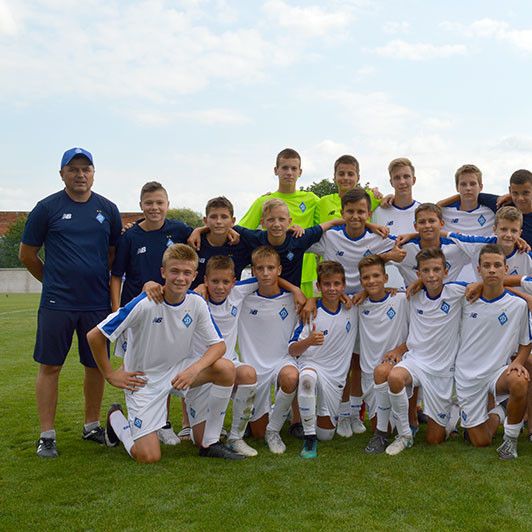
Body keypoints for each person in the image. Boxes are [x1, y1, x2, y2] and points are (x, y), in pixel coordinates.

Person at [87, 244, 244, 463]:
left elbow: (218, 346)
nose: (180, 278)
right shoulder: (144, 304)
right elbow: (95, 335)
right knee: (148, 456)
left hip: (177, 373)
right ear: (163, 273)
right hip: (142, 380)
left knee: (226, 368)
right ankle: (116, 419)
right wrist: (110, 375)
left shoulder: (196, 303)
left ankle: (210, 443)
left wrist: (193, 370)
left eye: (187, 272)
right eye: (175, 271)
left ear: (194, 276)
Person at [19, 147, 122, 458]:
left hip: (96, 303)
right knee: (50, 365)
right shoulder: (46, 208)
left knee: (94, 365)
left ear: (93, 173)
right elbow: (27, 254)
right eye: (73, 169)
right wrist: (53, 283)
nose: (80, 174)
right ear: (62, 173)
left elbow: (113, 253)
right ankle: (47, 435)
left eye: (85, 169)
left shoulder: (108, 208)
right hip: (57, 303)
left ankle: (91, 425)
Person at [307, 187, 402, 437]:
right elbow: (300, 243)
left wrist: (385, 262)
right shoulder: (331, 237)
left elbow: (401, 251)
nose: (356, 216)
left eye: (361, 212)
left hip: (366, 305)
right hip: (337, 307)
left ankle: (354, 412)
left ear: (369, 213)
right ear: (342, 212)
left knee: (359, 360)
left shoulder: (377, 236)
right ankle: (343, 410)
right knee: (344, 360)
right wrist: (305, 296)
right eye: (350, 212)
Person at [194, 255, 305, 456]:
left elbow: (268, 277)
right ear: (205, 280)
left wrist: (296, 289)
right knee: (201, 441)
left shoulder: (237, 293)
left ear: (234, 282)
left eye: (225, 282)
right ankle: (194, 426)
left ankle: (236, 436)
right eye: (214, 282)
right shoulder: (195, 300)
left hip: (230, 366)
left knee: (247, 374)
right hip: (201, 368)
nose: (220, 287)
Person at [384, 248, 467, 455]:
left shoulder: (457, 292)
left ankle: (452, 416)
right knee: (394, 377)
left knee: (434, 440)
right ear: (418, 274)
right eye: (426, 271)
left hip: (442, 371)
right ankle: (404, 434)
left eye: (436, 270)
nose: (431, 275)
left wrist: (524, 294)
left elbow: (491, 284)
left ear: (445, 271)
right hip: (416, 360)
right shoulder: (412, 295)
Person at [455, 244, 531, 459]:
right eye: (486, 265)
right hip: (467, 376)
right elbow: (435, 286)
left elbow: (526, 341)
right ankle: (499, 411)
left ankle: (510, 441)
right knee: (480, 442)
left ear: (506, 269)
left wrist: (518, 363)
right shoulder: (465, 299)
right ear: (478, 269)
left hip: (497, 372)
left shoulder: (518, 305)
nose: (492, 270)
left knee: (519, 381)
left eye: (497, 265)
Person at [288, 261, 357, 458]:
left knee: (326, 435)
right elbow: (292, 350)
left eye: (337, 284)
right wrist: (309, 341)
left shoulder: (352, 307)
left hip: (335, 378)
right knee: (307, 379)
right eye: (326, 284)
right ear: (319, 286)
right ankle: (309, 438)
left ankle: (305, 415)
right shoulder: (310, 311)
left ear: (344, 286)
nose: (332, 289)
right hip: (312, 365)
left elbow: (373, 293)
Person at [237, 246, 300, 453]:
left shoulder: (293, 300)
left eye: (270, 268)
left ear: (279, 270)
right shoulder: (241, 298)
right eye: (260, 268)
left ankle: (274, 430)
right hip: (254, 370)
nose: (265, 273)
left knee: (291, 377)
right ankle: (274, 414)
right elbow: (216, 286)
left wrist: (299, 292)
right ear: (253, 271)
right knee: (257, 433)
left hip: (281, 362)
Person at [238, 148, 320, 297]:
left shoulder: (312, 199)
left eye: (293, 168)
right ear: (276, 170)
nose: (289, 172)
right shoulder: (263, 201)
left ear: (300, 172)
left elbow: (334, 219)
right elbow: (239, 231)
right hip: (268, 277)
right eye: (284, 168)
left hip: (305, 276)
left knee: (305, 319)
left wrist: (373, 196)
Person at [356, 255, 409, 454]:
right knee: (383, 425)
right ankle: (390, 430)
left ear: (386, 278)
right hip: (368, 373)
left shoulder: (401, 299)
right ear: (361, 281)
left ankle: (407, 425)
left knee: (396, 424)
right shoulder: (357, 304)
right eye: (366, 278)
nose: (372, 281)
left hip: (395, 367)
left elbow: (417, 334)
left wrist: (399, 351)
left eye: (376, 276)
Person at [237, 198, 343, 287]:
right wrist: (231, 233)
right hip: (261, 297)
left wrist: (353, 221)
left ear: (289, 221)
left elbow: (330, 223)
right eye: (271, 220)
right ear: (262, 223)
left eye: (281, 219)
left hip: (290, 300)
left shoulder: (298, 239)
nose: (276, 224)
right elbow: (229, 227)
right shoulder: (254, 238)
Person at [372, 157, 420, 289]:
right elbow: (369, 250)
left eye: (406, 176)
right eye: (397, 178)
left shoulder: (423, 212)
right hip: (387, 287)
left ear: (413, 180)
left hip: (418, 285)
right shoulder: (378, 212)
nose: (402, 181)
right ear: (391, 182)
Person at [395, 203, 471, 287]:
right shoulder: (403, 248)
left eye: (431, 221)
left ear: (441, 224)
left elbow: (484, 248)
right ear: (416, 226)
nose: (427, 225)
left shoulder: (457, 248)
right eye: (422, 222)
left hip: (448, 298)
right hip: (413, 298)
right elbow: (379, 259)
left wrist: (479, 285)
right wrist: (388, 257)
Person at [447, 206, 532, 280]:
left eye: (514, 231)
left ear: (520, 233)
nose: (508, 235)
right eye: (504, 229)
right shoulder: (478, 245)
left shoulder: (527, 256)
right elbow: (448, 235)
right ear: (494, 229)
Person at [316, 154, 380, 222]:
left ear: (358, 177)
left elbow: (389, 203)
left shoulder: (370, 197)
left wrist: (389, 197)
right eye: (341, 174)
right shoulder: (323, 202)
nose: (346, 178)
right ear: (334, 177)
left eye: (350, 174)